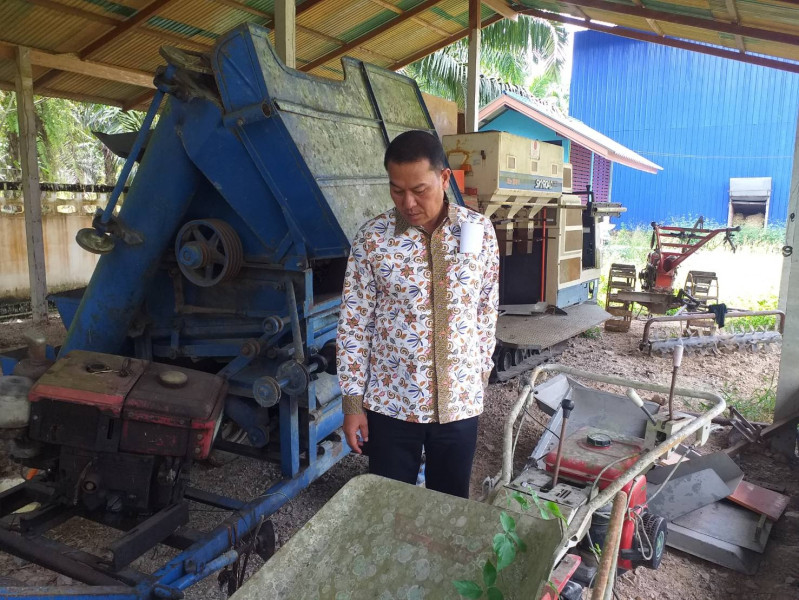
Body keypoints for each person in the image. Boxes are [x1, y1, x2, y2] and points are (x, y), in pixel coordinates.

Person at [336, 129, 499, 498]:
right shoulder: (372, 239)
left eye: (419, 190)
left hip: (459, 403)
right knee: (388, 504)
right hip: (391, 403)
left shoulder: (478, 231)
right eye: (397, 190)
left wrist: (479, 373)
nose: (408, 202)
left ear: (444, 178)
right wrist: (352, 404)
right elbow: (354, 325)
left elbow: (486, 309)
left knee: (450, 506)